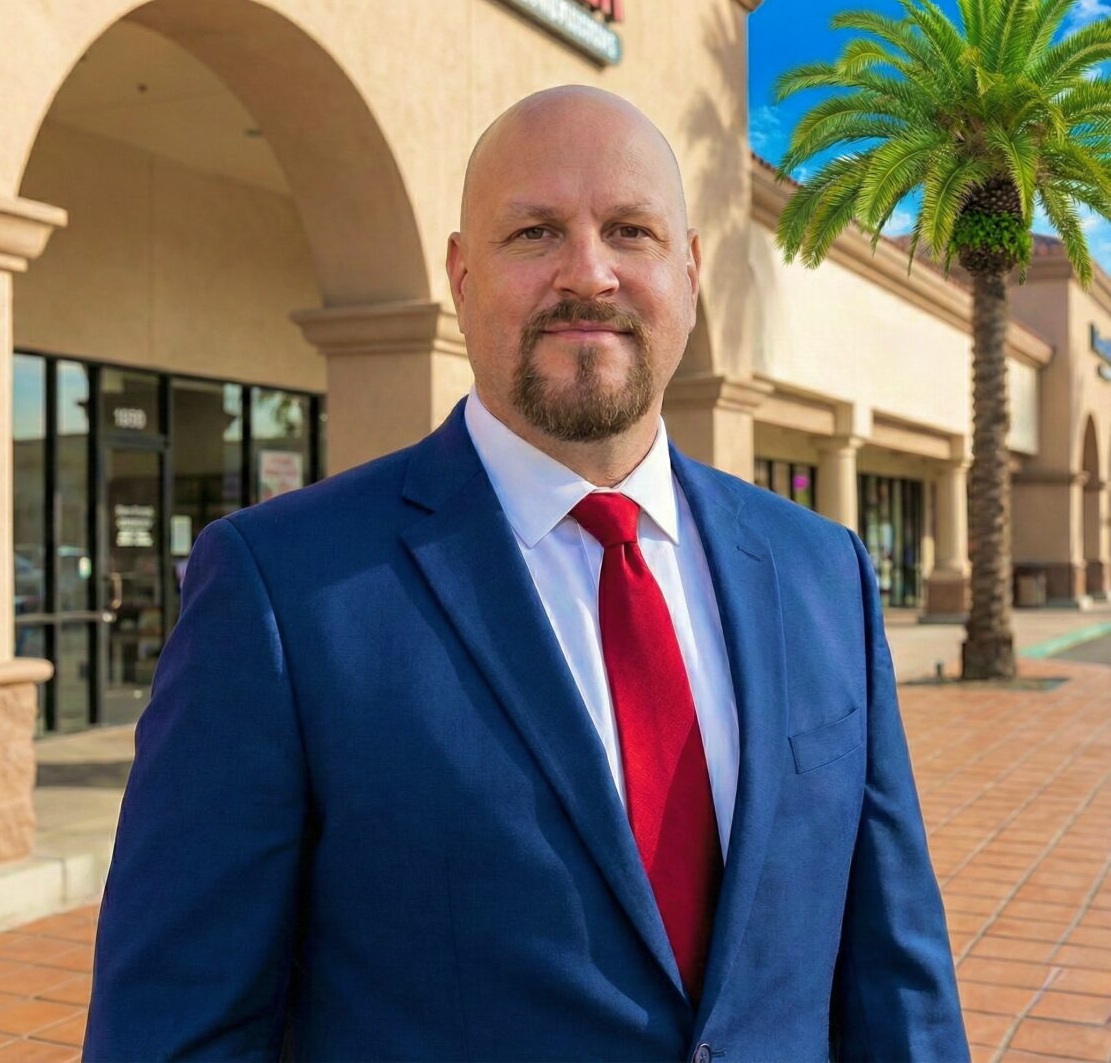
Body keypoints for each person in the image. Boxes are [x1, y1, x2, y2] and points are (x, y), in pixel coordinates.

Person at [83, 86, 969, 1062]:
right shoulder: (281, 589)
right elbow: (174, 1025)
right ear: (462, 277)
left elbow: (897, 973)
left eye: (629, 231)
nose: (588, 273)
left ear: (689, 271)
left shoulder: (820, 570)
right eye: (536, 232)